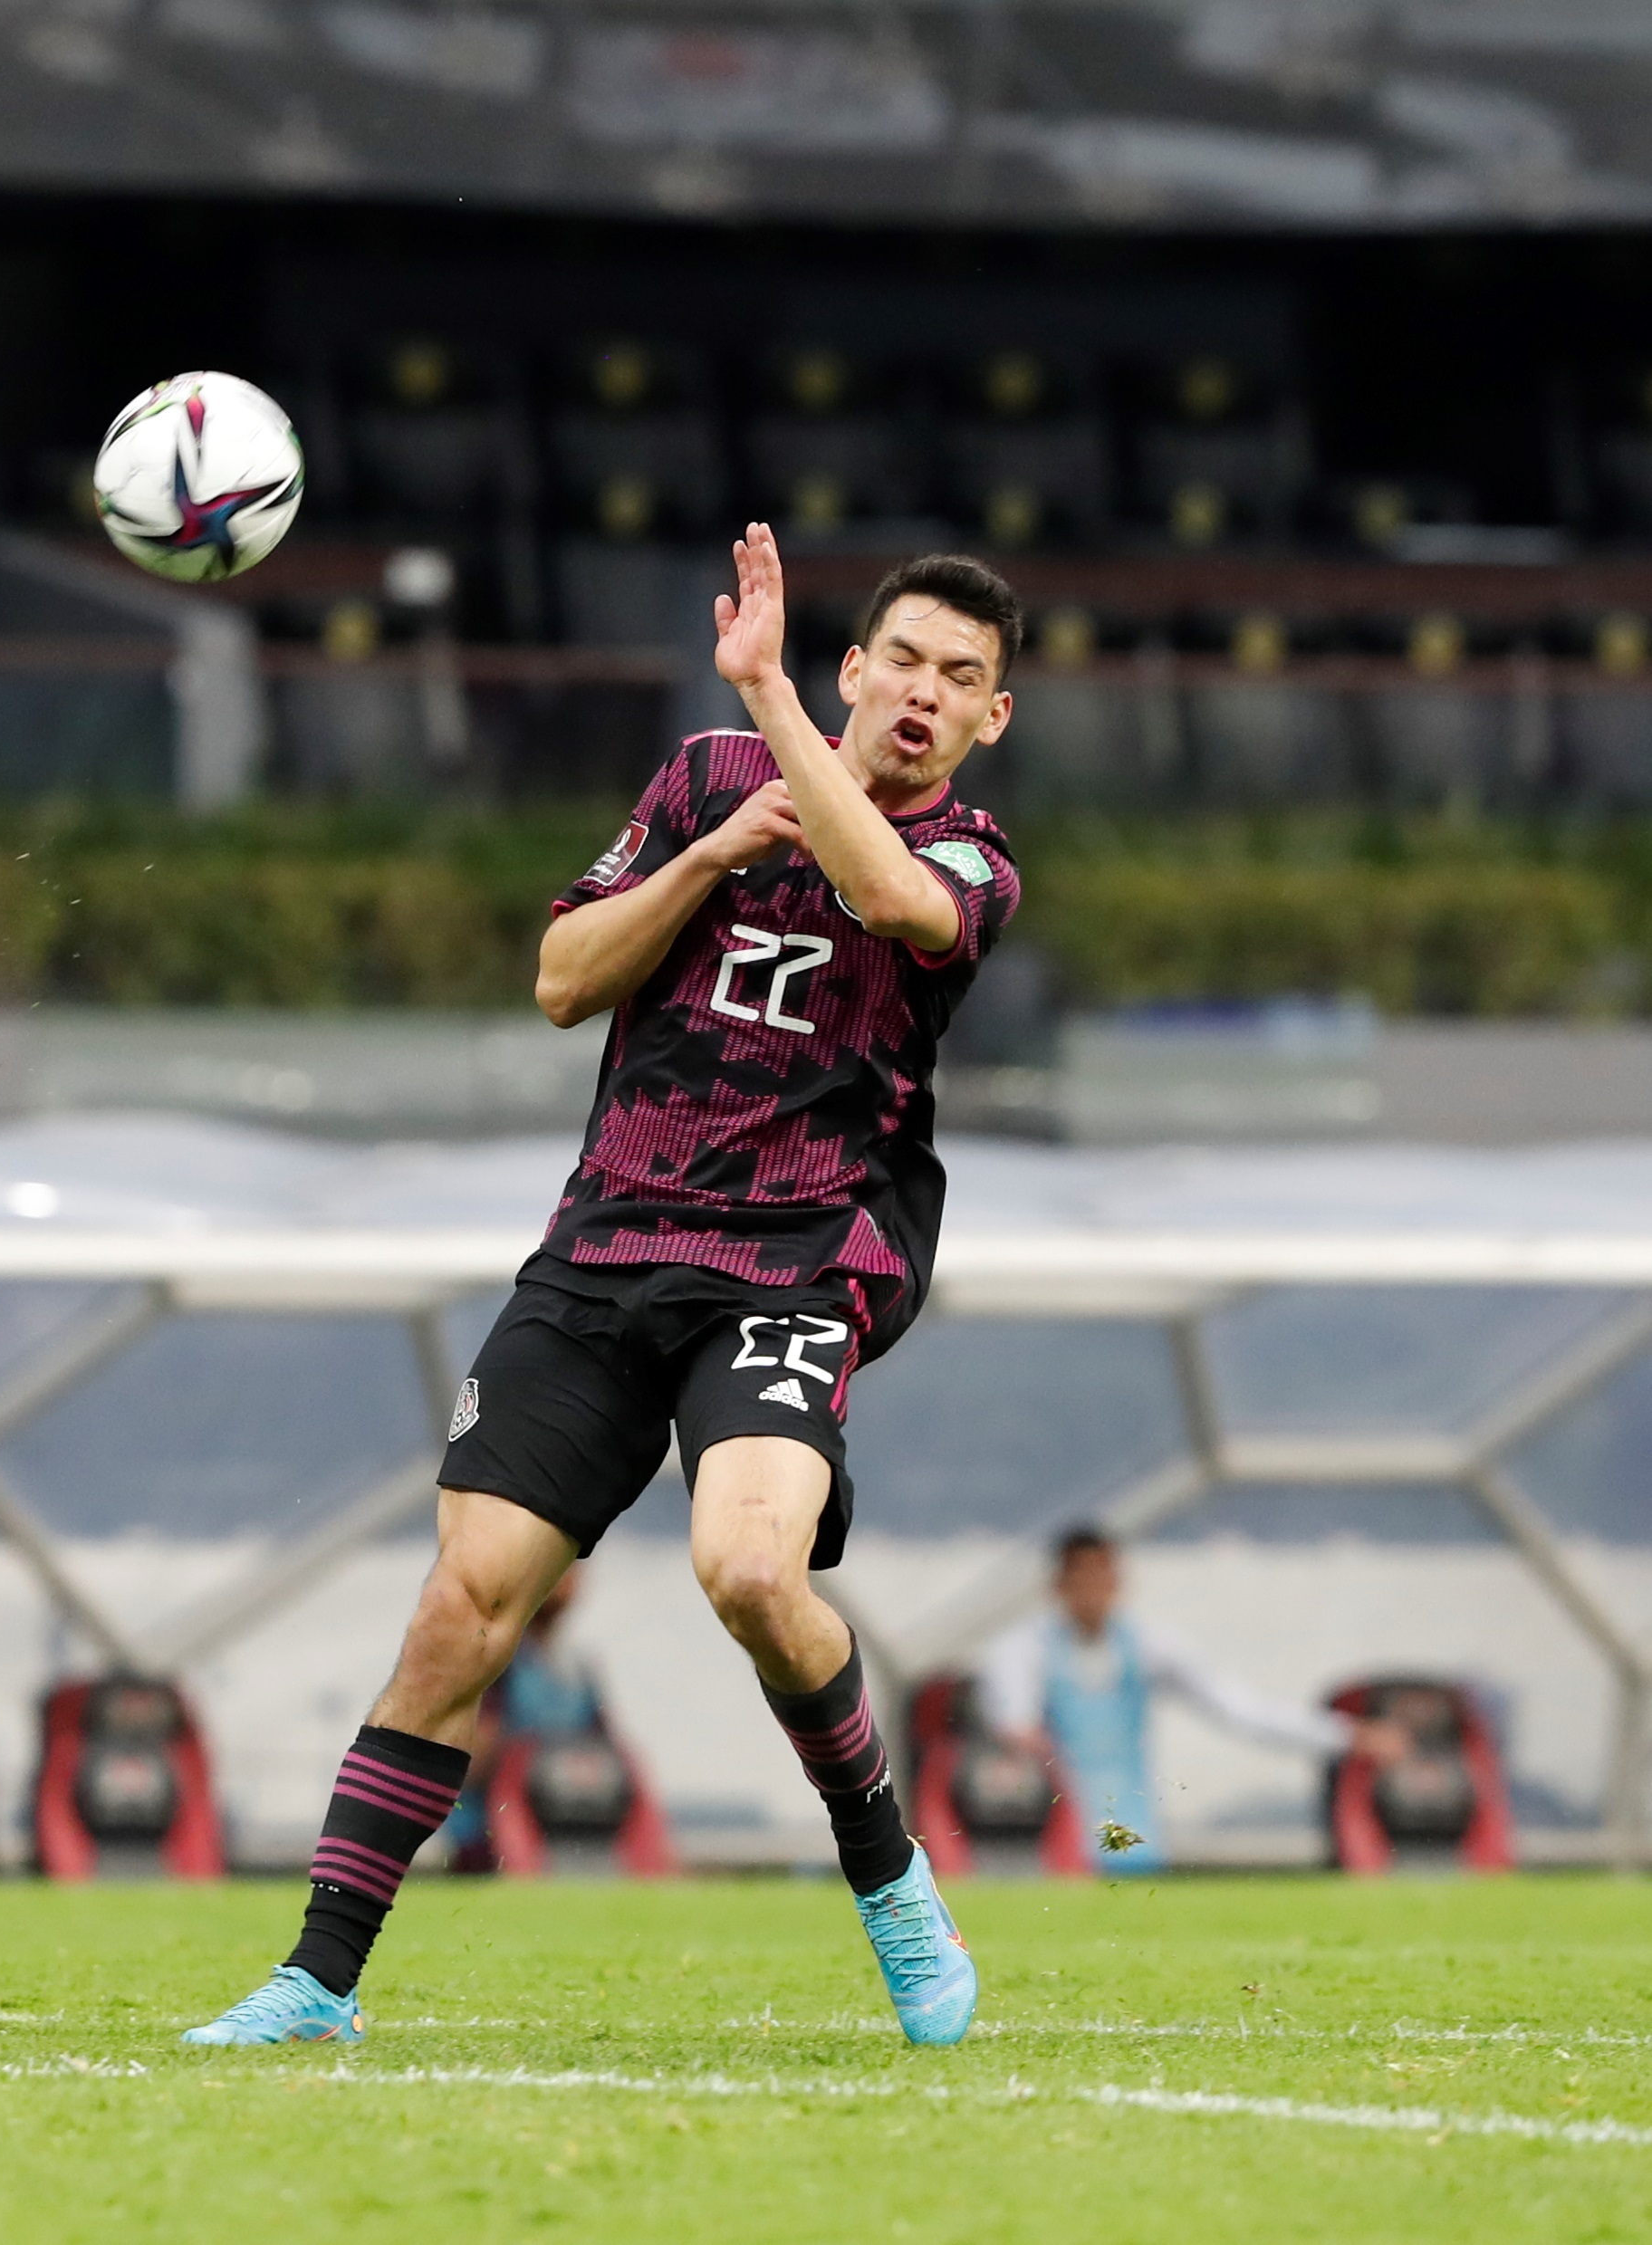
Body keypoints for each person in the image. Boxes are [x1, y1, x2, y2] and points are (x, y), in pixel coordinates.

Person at [190, 530, 1023, 2050]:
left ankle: (896, 1883)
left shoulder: (973, 859)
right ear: (858, 666)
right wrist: (710, 852)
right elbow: (565, 977)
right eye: (900, 657)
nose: (922, 690)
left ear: (988, 722)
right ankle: (316, 1982)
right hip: (606, 1249)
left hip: (793, 1258)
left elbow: (891, 896)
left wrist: (770, 699)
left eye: (959, 678)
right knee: (461, 1608)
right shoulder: (705, 781)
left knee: (755, 1572)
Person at [978, 1527, 1404, 1875]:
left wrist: (1346, 1735)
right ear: (1060, 1585)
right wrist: (1022, 1737)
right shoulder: (1023, 1648)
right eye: (1081, 1578)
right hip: (1049, 1848)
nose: (1093, 1591)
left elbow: (1242, 1710)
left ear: (1118, 1581)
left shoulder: (1148, 1644)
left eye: (1102, 1576)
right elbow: (1012, 1721)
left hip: (1135, 1841)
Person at [432, 1559, 604, 1863]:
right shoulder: (499, 1659)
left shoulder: (577, 1669)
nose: (568, 1581)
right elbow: (470, 1758)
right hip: (490, 1832)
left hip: (566, 1825)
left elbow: (605, 1747)